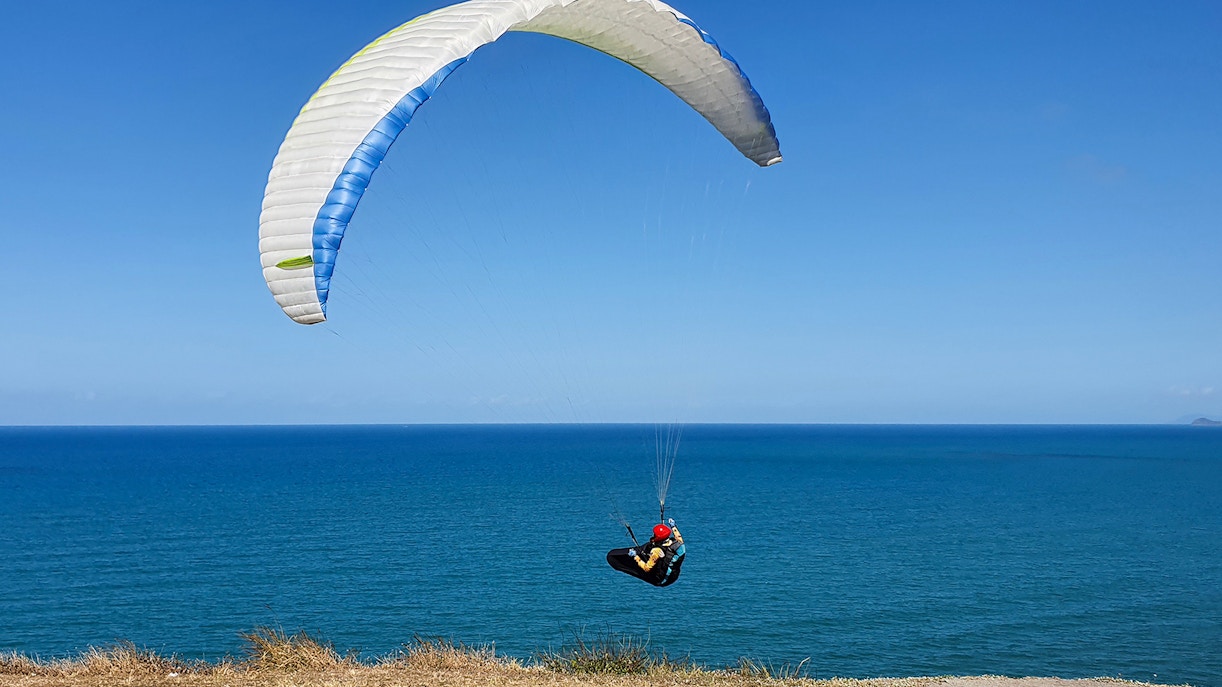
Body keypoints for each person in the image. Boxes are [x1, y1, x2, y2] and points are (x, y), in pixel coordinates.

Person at [627, 518, 685, 586]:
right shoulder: (678, 544)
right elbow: (678, 537)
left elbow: (647, 568)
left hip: (661, 580)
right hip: (674, 576)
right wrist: (673, 526)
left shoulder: (656, 551)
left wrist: (636, 557)